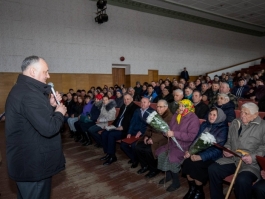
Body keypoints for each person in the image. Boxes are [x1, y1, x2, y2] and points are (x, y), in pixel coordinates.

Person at [5, 56, 67, 199]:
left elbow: (35, 119)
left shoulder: (23, 89)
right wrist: (59, 112)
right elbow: (49, 128)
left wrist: (50, 106)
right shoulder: (29, 94)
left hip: (28, 161)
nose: (48, 75)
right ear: (33, 71)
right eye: (45, 72)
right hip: (34, 164)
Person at [208, 102, 265, 199]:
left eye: (246, 113)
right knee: (213, 169)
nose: (242, 115)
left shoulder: (263, 126)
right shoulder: (235, 123)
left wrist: (252, 157)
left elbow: (264, 147)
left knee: (242, 180)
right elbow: (229, 141)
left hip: (251, 164)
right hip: (233, 159)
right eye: (241, 112)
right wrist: (227, 149)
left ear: (255, 115)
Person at [182, 107, 228, 199]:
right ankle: (192, 189)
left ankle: (199, 191)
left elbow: (217, 149)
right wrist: (190, 150)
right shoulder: (204, 124)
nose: (211, 116)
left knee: (197, 165)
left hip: (212, 156)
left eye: (214, 115)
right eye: (210, 114)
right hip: (199, 152)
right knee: (187, 162)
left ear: (219, 117)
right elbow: (196, 139)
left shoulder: (223, 128)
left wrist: (201, 156)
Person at [156, 99, 200, 192]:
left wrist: (174, 133)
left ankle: (176, 182)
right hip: (173, 143)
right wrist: (166, 131)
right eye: (180, 106)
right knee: (161, 153)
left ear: (189, 107)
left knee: (172, 159)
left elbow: (191, 136)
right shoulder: (177, 115)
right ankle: (168, 176)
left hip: (185, 146)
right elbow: (170, 128)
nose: (180, 108)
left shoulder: (193, 118)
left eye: (183, 106)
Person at [135, 100, 172, 178]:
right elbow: (149, 127)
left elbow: (165, 133)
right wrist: (146, 136)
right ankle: (145, 166)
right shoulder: (155, 114)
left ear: (166, 107)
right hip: (152, 137)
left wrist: (153, 139)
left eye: (160, 107)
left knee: (149, 150)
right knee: (138, 147)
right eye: (157, 106)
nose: (158, 108)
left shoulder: (169, 117)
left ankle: (154, 169)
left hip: (163, 139)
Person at [100, 93, 139, 165]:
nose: (126, 101)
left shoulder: (135, 108)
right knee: (104, 133)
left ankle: (112, 156)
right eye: (124, 99)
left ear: (132, 99)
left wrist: (123, 127)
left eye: (128, 99)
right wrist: (112, 125)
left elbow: (133, 122)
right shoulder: (123, 106)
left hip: (126, 130)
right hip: (117, 127)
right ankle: (108, 154)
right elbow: (118, 118)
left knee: (111, 135)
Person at [120, 97, 154, 167]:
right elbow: (132, 122)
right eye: (141, 102)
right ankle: (134, 158)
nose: (142, 104)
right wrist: (129, 132)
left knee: (134, 145)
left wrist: (141, 131)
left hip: (144, 133)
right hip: (134, 132)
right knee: (123, 144)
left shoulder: (152, 112)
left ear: (149, 103)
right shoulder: (137, 110)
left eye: (144, 102)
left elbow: (149, 126)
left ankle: (135, 160)